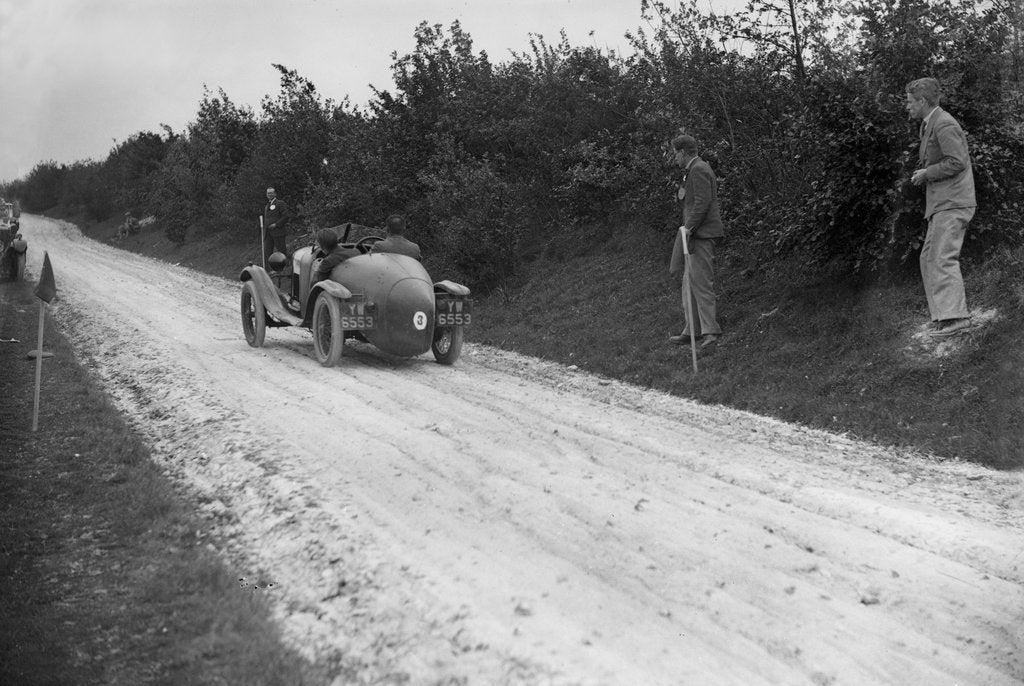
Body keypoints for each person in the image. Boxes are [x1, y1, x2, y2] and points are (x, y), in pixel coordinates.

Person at [905, 77, 976, 337]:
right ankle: (942, 317)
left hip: (953, 202)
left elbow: (957, 161)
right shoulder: (929, 124)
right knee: (928, 258)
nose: (908, 106)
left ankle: (956, 318)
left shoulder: (944, 123)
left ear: (922, 101)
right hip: (942, 203)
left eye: (910, 102)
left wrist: (927, 173)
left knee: (941, 257)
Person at [667, 134, 724, 348]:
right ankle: (693, 330)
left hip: (701, 234)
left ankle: (711, 331)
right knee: (689, 284)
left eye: (675, 154)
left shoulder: (699, 169)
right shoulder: (692, 170)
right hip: (695, 234)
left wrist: (689, 228)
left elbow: (702, 203)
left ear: (683, 152)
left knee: (701, 283)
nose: (675, 158)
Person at [262, 186, 290, 264]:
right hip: (268, 233)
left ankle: (284, 267)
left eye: (271, 193)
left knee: (281, 251)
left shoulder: (280, 203)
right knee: (267, 252)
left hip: (278, 232)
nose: (270, 194)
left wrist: (276, 224)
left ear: (275, 194)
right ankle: (268, 269)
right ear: (266, 195)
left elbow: (286, 216)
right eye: (268, 193)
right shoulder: (267, 205)